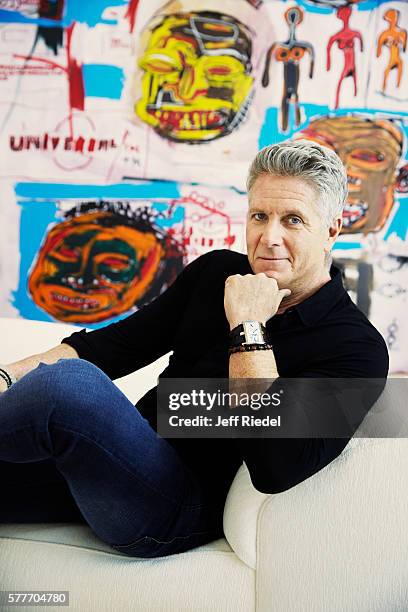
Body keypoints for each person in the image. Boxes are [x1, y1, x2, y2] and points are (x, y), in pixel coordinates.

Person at [0, 140, 388, 558]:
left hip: (171, 510)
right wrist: (4, 376)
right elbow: (112, 347)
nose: (269, 237)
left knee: (72, 387)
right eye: (260, 216)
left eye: (293, 220)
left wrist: (249, 327)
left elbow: (275, 466)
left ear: (332, 230)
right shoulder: (217, 271)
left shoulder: (356, 348)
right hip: (116, 461)